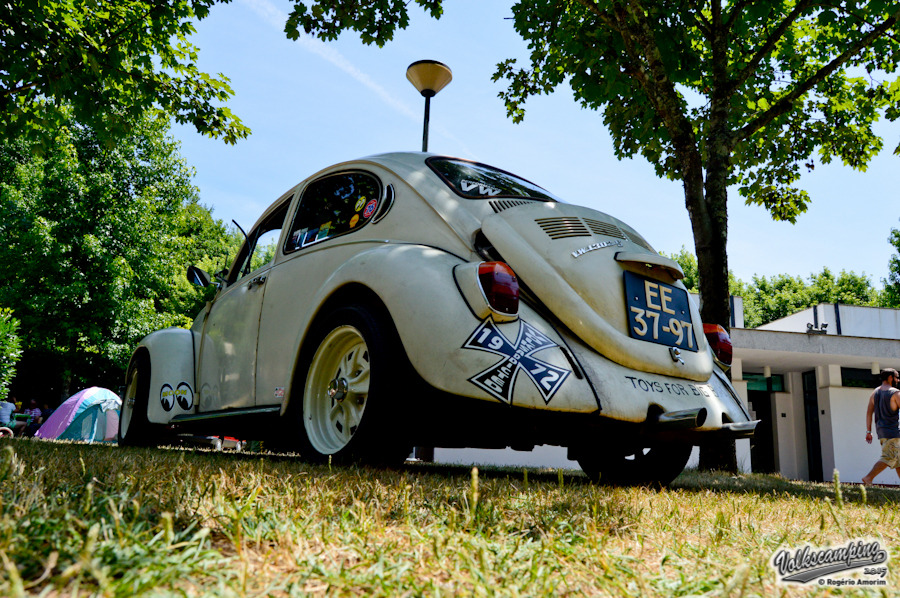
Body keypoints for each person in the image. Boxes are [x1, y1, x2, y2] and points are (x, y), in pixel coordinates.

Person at [862, 368, 900, 485]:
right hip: (893, 432)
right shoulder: (895, 393)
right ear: (890, 378)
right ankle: (869, 477)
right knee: (888, 456)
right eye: (896, 377)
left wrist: (868, 431)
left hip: (881, 432)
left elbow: (869, 413)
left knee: (898, 460)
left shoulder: (875, 393)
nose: (898, 380)